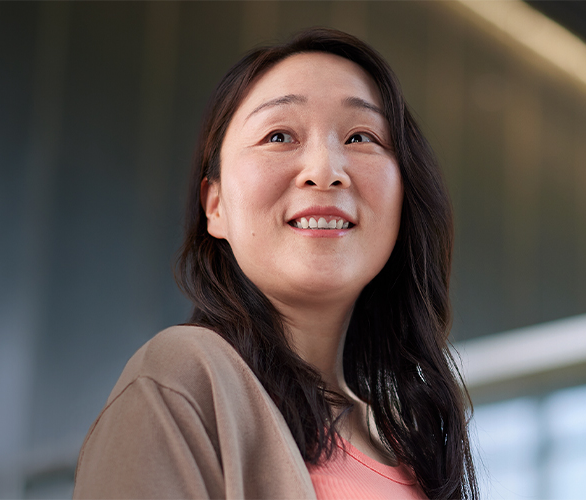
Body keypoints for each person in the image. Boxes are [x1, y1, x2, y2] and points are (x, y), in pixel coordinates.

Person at [72, 28, 478, 500]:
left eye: (361, 136)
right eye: (279, 135)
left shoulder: (407, 442)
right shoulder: (182, 378)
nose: (325, 170)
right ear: (216, 205)